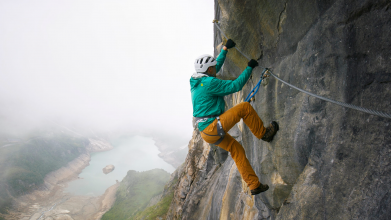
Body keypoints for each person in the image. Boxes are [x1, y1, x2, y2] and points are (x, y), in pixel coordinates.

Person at [190, 39, 279, 195]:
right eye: (212, 68)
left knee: (236, 150)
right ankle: (264, 134)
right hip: (212, 127)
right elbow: (235, 86)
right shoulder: (209, 83)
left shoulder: (197, 82)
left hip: (207, 133)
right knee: (244, 107)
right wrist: (249, 68)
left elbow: (214, 67)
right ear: (208, 70)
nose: (214, 69)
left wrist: (225, 49)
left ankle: (254, 185)